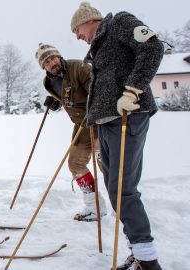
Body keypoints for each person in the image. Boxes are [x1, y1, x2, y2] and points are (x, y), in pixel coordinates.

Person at [71, 2, 164, 270]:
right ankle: (137, 250)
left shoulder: (119, 22)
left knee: (123, 190)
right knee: (115, 190)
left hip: (128, 117)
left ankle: (148, 260)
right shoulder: (98, 47)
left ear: (90, 21)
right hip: (107, 123)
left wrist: (133, 90)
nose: (78, 36)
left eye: (77, 29)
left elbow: (153, 47)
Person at [35, 43, 107, 221]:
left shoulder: (78, 67)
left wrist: (94, 104)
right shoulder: (49, 81)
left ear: (59, 56)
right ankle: (94, 207)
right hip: (81, 128)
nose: (52, 63)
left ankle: (124, 206)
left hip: (100, 123)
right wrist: (56, 103)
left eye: (53, 58)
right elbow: (66, 97)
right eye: (47, 62)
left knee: (106, 166)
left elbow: (98, 88)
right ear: (44, 67)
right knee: (75, 164)